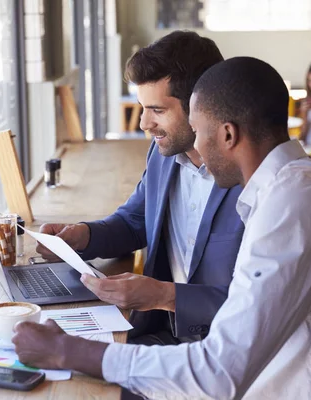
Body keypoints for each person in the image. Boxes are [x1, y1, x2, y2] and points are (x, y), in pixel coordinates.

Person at [13, 57, 311, 399]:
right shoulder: (291, 189)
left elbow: (219, 372)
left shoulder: (296, 203)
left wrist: (69, 350)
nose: (196, 150)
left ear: (227, 135)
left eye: (197, 131)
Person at [36, 30, 244, 345]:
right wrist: (84, 236)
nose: (143, 124)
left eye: (157, 110)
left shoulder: (253, 180)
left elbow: (262, 305)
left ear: (203, 107)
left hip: (223, 348)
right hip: (162, 333)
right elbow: (136, 220)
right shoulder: (165, 154)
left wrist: (164, 294)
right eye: (142, 107)